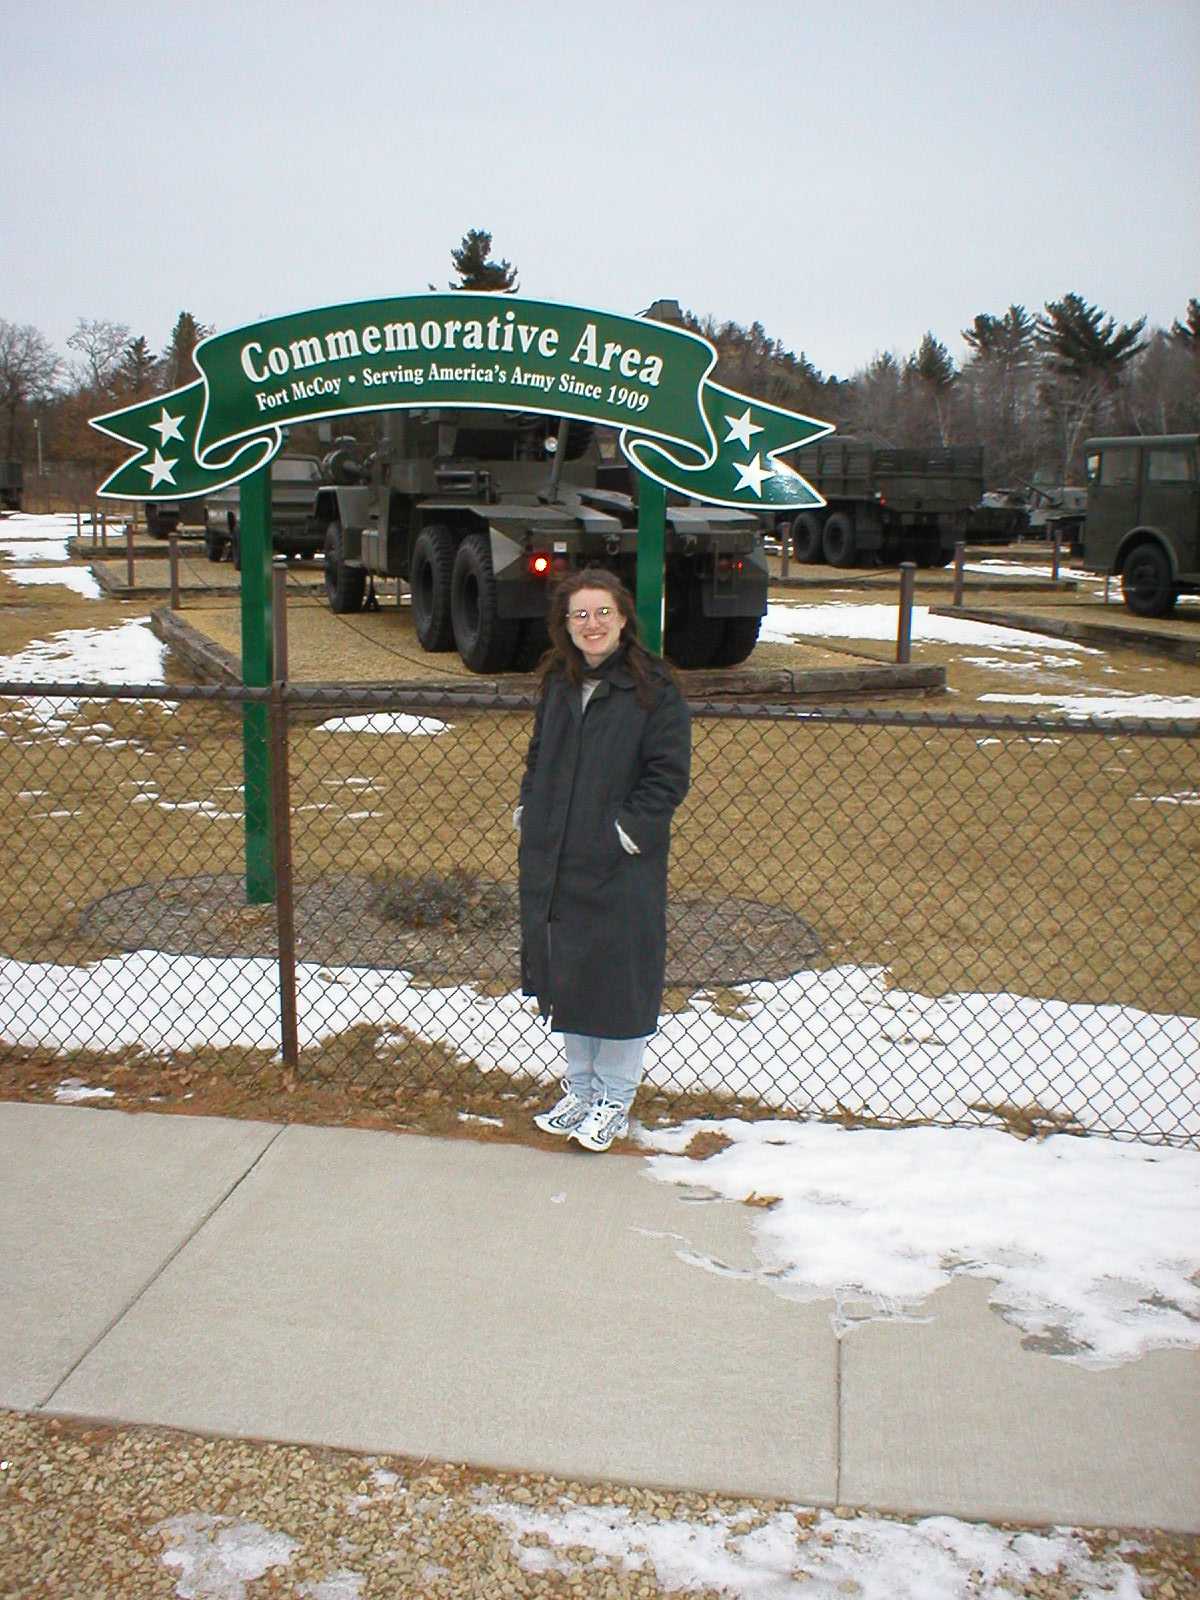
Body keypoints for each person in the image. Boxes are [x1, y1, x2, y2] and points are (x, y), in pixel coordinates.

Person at [516, 568, 692, 1152]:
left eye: (601, 613)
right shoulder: (561, 682)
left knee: (616, 977)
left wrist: (628, 831)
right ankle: (582, 1089)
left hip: (619, 862)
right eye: (579, 616)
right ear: (566, 625)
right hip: (559, 853)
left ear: (622, 618)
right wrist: (529, 805)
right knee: (569, 972)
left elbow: (667, 773)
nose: (591, 625)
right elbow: (541, 751)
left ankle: (614, 1097)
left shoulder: (653, 686)